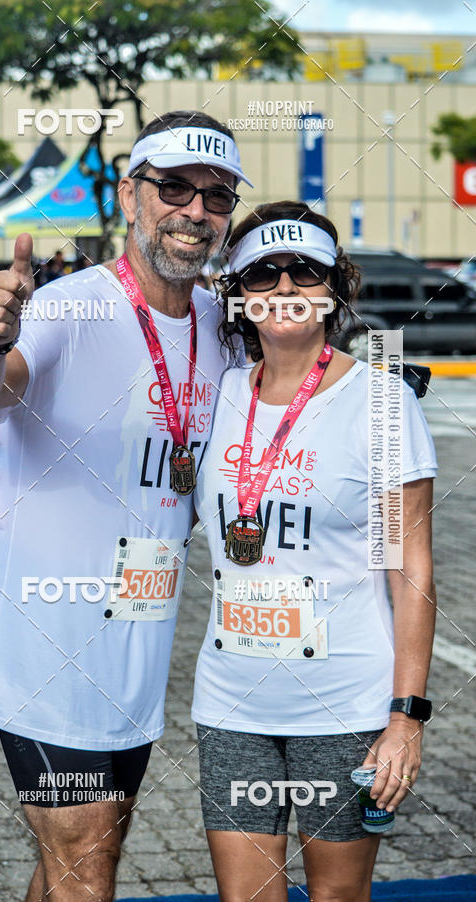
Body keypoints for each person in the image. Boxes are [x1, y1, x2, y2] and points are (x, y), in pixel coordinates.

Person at [0, 109, 249, 902]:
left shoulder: (224, 327)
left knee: (83, 852)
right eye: (174, 187)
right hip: (47, 638)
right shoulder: (66, 307)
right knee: (85, 857)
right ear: (128, 194)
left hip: (137, 644)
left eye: (216, 196)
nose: (195, 211)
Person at [192, 201, 437, 902]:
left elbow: (412, 571)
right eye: (262, 273)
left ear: (334, 287)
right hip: (232, 701)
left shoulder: (381, 402)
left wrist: (405, 718)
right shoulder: (218, 395)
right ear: (239, 294)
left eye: (304, 270)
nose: (284, 287)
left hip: (345, 705)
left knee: (335, 897)